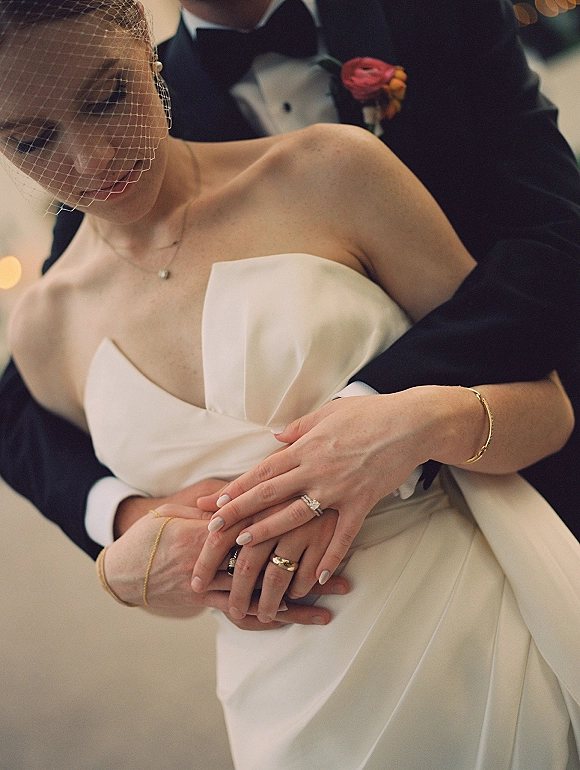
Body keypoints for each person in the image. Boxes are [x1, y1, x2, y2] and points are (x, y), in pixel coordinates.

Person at [2, 2, 579, 767]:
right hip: (290, 706)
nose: (93, 156)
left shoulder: (333, 163)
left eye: (109, 97)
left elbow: (558, 253)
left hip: (491, 582)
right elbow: (26, 422)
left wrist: (388, 421)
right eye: (33, 139)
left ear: (145, 54)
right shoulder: (51, 314)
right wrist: (124, 538)